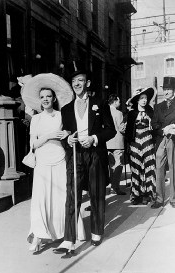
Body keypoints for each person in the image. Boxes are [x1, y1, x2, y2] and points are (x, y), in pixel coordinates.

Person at [55, 62, 115, 255]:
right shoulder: (65, 109)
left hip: (95, 155)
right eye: (73, 81)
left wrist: (94, 138)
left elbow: (111, 130)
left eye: (80, 81)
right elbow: (64, 135)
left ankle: (97, 231)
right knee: (72, 197)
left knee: (97, 194)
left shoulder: (100, 103)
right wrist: (68, 139)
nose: (76, 84)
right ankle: (68, 239)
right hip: (76, 155)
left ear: (87, 83)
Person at [21, 74, 85, 253]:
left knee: (61, 197)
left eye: (48, 96)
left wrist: (67, 135)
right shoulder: (36, 119)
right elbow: (33, 144)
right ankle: (39, 235)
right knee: (41, 200)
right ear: (39, 101)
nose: (45, 99)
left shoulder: (61, 116)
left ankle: (66, 232)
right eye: (42, 97)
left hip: (59, 159)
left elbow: (70, 134)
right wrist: (48, 136)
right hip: (42, 161)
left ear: (54, 98)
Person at [125, 87, 156, 205]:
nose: (144, 100)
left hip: (148, 141)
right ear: (137, 100)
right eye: (141, 98)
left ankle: (149, 194)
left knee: (149, 167)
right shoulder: (132, 113)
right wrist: (129, 144)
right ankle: (136, 195)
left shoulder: (150, 111)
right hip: (135, 142)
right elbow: (128, 131)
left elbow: (154, 126)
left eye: (145, 98)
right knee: (136, 168)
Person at [151, 76, 175, 209]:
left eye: (169, 89)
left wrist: (173, 128)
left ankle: (174, 199)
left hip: (173, 139)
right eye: (164, 89)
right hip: (161, 139)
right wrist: (162, 130)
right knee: (159, 168)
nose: (166, 92)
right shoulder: (158, 106)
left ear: (174, 90)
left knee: (173, 168)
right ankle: (159, 199)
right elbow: (154, 123)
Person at [106, 94, 126, 195]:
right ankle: (115, 187)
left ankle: (111, 186)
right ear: (114, 102)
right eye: (118, 101)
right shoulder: (118, 113)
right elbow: (121, 128)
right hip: (117, 142)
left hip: (107, 142)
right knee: (119, 164)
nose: (120, 103)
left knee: (111, 165)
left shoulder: (104, 111)